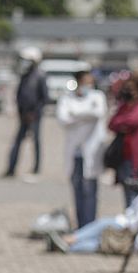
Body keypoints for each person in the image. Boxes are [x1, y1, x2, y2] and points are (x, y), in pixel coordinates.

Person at [47, 159, 138, 255]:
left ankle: (68, 243)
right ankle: (66, 243)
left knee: (103, 240)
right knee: (103, 232)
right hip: (133, 233)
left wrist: (121, 221)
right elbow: (132, 212)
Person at [57, 70, 108, 228]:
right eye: (86, 81)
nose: (88, 85)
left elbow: (98, 113)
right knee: (77, 189)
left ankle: (90, 224)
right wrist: (85, 116)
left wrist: (76, 115)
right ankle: (81, 225)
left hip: (92, 151)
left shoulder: (98, 96)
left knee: (90, 190)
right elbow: (63, 119)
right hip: (75, 152)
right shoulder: (67, 98)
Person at [108, 74, 138, 207]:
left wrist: (123, 122)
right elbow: (112, 124)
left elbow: (133, 120)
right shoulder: (124, 106)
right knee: (127, 191)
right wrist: (123, 122)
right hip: (123, 156)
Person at [5, 47, 48, 178]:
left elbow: (44, 97)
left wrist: (34, 112)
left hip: (34, 115)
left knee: (36, 142)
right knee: (17, 142)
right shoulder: (24, 76)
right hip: (23, 115)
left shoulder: (40, 76)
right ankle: (11, 168)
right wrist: (20, 111)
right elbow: (19, 95)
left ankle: (36, 168)